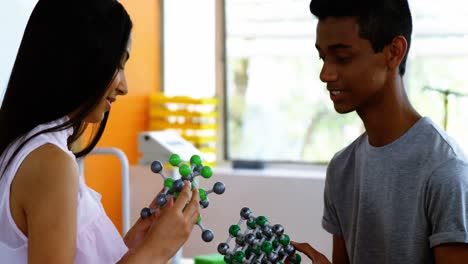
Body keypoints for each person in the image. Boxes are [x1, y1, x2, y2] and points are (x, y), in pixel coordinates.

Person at [0, 0, 201, 263]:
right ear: (81, 61)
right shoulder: (50, 162)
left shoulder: (28, 149)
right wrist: (156, 251)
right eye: (118, 65)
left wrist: (133, 246)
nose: (124, 86)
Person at [291, 0, 468, 263]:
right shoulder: (341, 169)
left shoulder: (445, 169)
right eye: (322, 57)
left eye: (342, 58)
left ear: (394, 52)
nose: (325, 74)